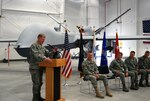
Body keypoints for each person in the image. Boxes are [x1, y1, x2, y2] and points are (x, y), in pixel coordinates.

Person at [28, 33, 56, 101]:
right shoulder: (33, 46)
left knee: (40, 83)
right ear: (39, 38)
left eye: (44, 39)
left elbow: (48, 54)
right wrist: (45, 59)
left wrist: (53, 51)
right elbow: (36, 55)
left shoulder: (42, 47)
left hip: (40, 67)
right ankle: (35, 99)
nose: (43, 40)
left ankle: (38, 97)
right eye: (43, 39)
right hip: (34, 68)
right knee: (36, 83)